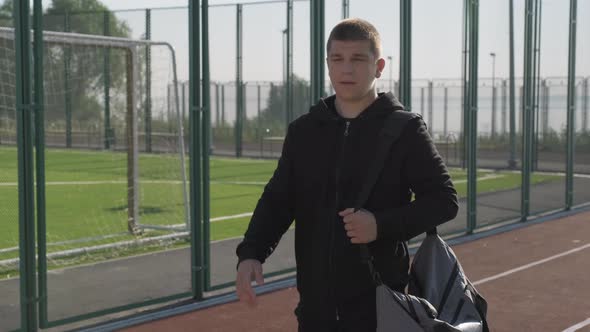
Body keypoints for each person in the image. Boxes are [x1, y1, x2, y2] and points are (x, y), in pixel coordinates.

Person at [235, 18, 458, 332]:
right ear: (328, 65)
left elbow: (444, 201)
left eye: (358, 59)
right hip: (314, 311)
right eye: (337, 59)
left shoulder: (405, 129)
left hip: (381, 310)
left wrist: (380, 225)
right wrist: (251, 253)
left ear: (378, 66)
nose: (346, 69)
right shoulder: (304, 131)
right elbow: (278, 200)